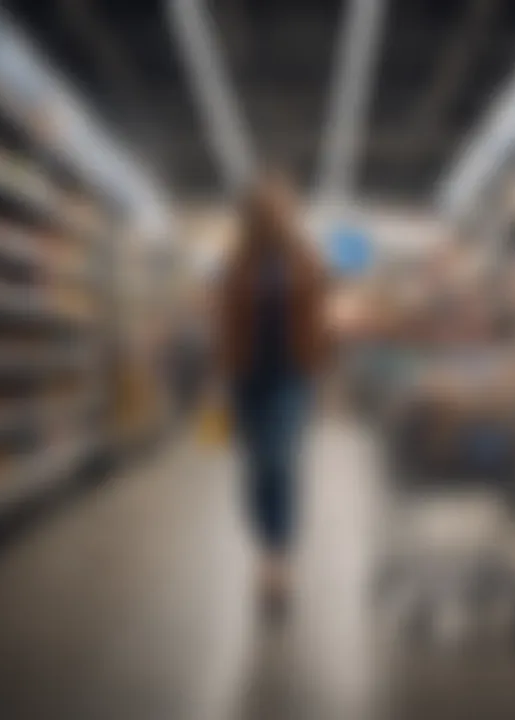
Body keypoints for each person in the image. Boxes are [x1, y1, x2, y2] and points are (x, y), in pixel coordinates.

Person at [215, 172, 329, 615]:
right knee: (256, 467)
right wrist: (220, 376)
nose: (274, 215)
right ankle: (265, 547)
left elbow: (320, 319)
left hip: (291, 376)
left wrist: (324, 373)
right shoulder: (236, 264)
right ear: (252, 215)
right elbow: (223, 324)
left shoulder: (307, 261)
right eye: (265, 208)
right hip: (246, 378)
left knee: (280, 461)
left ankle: (277, 563)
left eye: (281, 207)